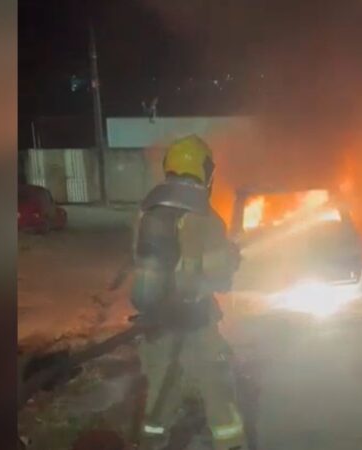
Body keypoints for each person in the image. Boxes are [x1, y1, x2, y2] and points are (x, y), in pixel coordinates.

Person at [130, 135, 247, 450]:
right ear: (203, 170)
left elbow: (141, 264)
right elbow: (219, 278)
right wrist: (232, 259)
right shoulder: (206, 218)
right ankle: (231, 445)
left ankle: (152, 443)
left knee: (160, 394)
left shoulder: (147, 212)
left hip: (157, 325)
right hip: (197, 323)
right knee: (218, 390)